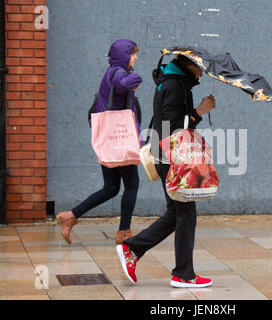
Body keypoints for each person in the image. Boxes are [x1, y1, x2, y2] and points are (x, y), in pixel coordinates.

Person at [116, 55, 216, 288]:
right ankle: (182, 273)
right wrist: (199, 111)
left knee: (176, 213)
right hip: (172, 159)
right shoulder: (174, 85)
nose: (203, 72)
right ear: (189, 65)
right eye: (200, 67)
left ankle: (133, 249)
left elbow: (167, 122)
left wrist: (195, 111)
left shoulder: (172, 82)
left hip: (166, 156)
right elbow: (173, 128)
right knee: (185, 213)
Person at [57, 39, 143, 245]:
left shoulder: (111, 72)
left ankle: (70, 216)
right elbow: (122, 83)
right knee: (132, 184)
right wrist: (136, 78)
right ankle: (124, 232)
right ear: (124, 55)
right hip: (119, 140)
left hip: (110, 140)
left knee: (111, 187)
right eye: (133, 54)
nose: (136, 58)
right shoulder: (118, 73)